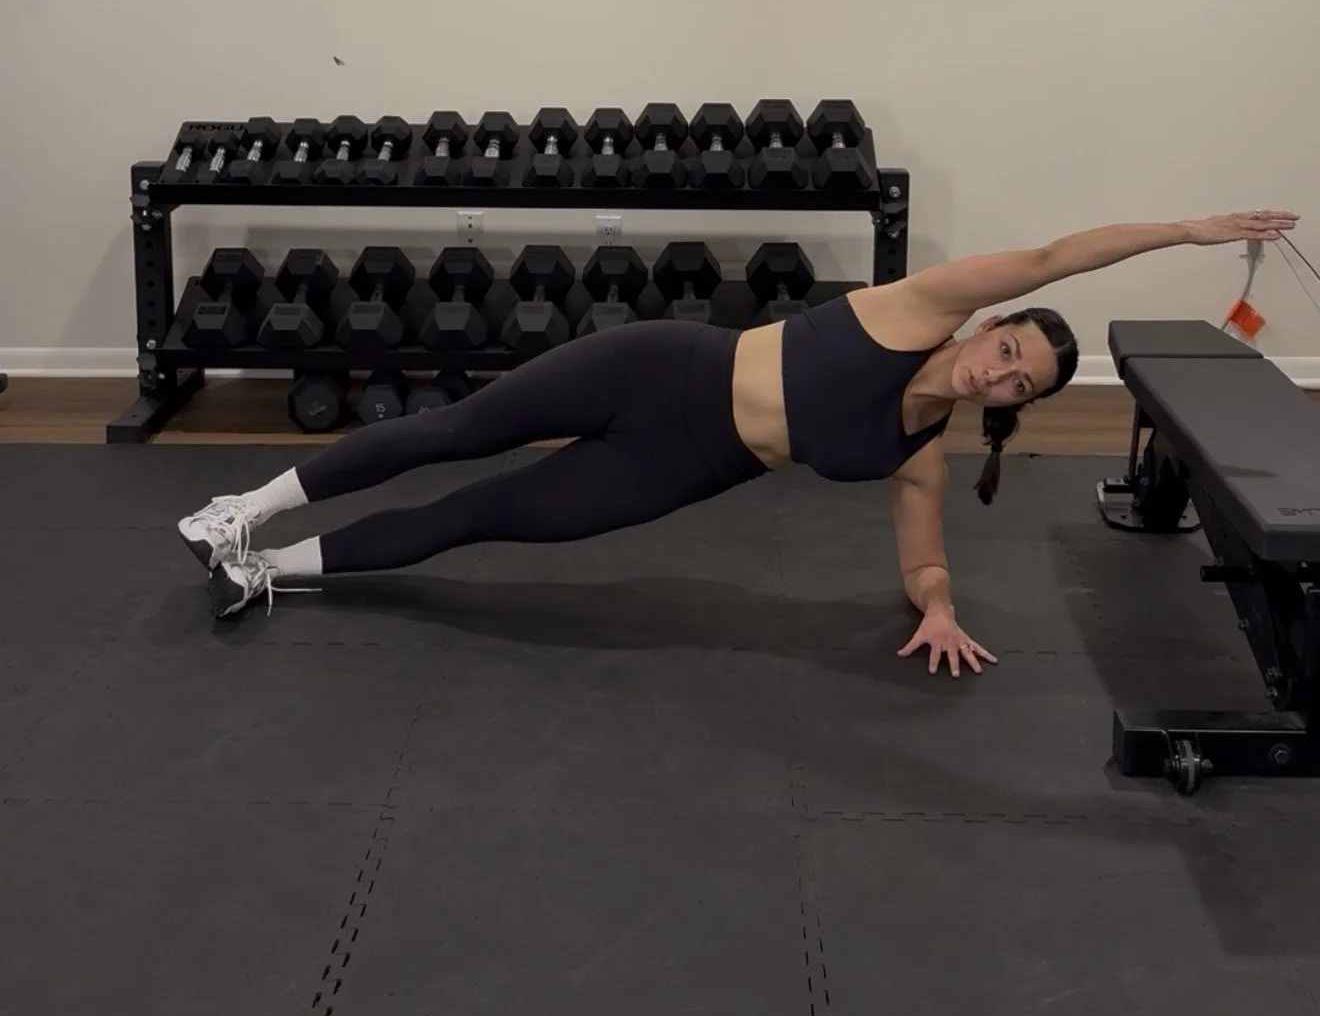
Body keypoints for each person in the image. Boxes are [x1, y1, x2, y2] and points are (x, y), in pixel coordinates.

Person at [178, 208, 1297, 673]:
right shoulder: (923, 308)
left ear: (1021, 398)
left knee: (488, 516)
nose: (1000, 366)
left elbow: (917, 549)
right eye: (1009, 345)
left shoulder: (925, 446)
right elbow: (1060, 257)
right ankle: (240, 510)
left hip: (680, 467)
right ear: (991, 325)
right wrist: (1191, 230)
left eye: (1023, 380)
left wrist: (942, 604)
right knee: (450, 431)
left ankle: (266, 569)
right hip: (663, 367)